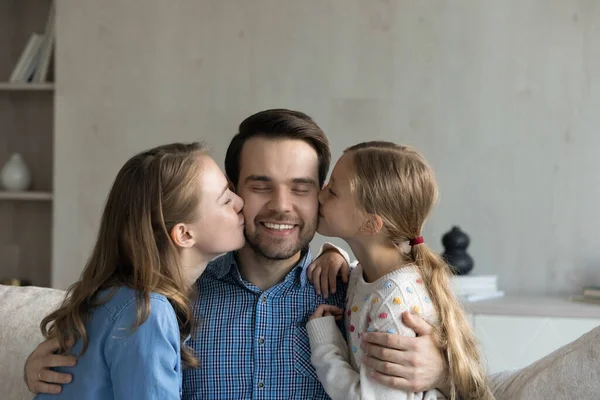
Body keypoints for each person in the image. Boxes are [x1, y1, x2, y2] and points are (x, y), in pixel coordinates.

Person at [25, 110, 449, 399]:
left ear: (324, 197)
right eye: (260, 185)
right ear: (232, 192)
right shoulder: (172, 297)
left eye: (301, 187)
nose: (282, 206)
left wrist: (441, 372)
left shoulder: (355, 295)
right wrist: (40, 368)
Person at [33, 142, 246, 399]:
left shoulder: (112, 298)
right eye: (225, 199)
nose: (240, 201)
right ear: (185, 234)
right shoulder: (146, 313)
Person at [307, 142, 494, 400]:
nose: (319, 194)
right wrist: (334, 253)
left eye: (333, 192)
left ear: (371, 224)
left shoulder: (396, 305)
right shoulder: (374, 274)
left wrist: (325, 345)